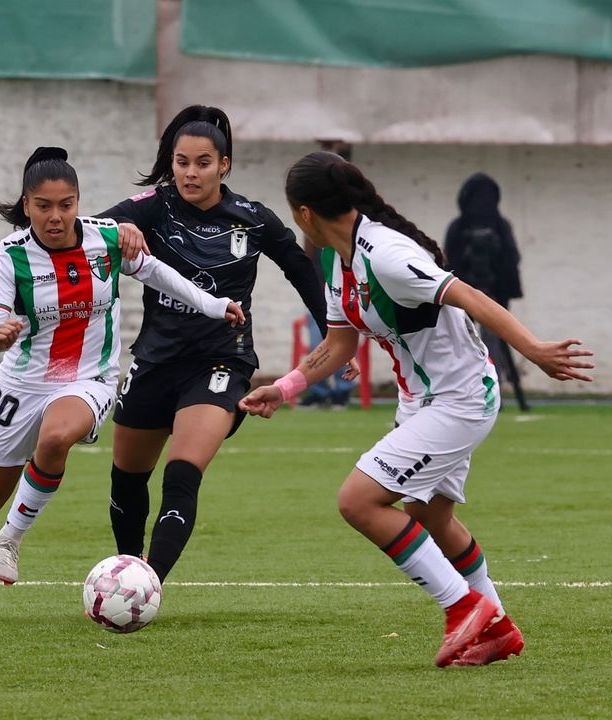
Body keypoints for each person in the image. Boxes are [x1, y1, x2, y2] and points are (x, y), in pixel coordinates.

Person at [240, 151, 594, 666]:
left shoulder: (385, 254)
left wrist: (534, 350)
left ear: (304, 214)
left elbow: (470, 296)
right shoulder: (337, 264)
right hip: (422, 401)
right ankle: (497, 628)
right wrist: (286, 386)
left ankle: (463, 608)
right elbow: (339, 345)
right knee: (428, 516)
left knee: (358, 501)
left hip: (462, 398)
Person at [0, 147, 244, 621]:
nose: (56, 216)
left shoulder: (107, 239)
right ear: (26, 205)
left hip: (90, 378)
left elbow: (159, 273)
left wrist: (213, 304)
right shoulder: (10, 255)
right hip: (22, 384)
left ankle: (12, 540)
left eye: (66, 204)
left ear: (78, 202)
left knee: (59, 434)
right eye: (44, 206)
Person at [91, 105, 327, 584]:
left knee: (182, 474)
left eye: (202, 162)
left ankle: (148, 583)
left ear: (224, 165)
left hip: (221, 361)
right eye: (181, 162)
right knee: (127, 478)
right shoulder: (151, 208)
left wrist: (337, 335)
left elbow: (303, 271)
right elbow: (82, 234)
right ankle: (127, 571)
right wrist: (118, 229)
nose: (190, 173)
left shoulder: (252, 219)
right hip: (156, 359)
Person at [445, 172, 529, 410]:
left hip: (461, 294)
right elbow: (512, 259)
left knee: (460, 342)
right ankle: (495, 389)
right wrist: (506, 292)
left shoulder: (458, 227)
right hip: (494, 294)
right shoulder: (500, 226)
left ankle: (459, 393)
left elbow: (447, 263)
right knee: (493, 342)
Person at [299, 140, 356, 409]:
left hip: (348, 287)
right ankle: (318, 391)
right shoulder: (312, 208)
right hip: (323, 287)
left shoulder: (354, 209)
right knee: (317, 339)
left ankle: (342, 390)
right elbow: (308, 251)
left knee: (343, 340)